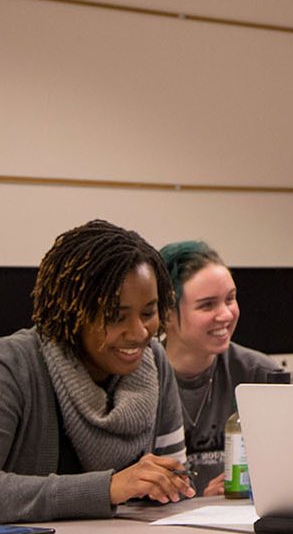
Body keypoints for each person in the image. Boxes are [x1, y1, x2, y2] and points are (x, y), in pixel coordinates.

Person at [0, 220, 194, 523]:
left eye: (148, 313)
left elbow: (177, 481)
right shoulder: (13, 365)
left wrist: (172, 484)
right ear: (72, 311)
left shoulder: (154, 361)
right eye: (116, 316)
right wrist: (108, 488)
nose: (139, 332)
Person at [160, 240, 285, 497]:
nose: (226, 315)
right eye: (207, 305)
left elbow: (287, 470)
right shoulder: (137, 380)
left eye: (230, 299)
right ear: (166, 314)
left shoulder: (260, 374)